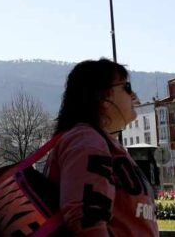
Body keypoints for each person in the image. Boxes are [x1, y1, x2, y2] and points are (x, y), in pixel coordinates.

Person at [43, 58, 159, 236]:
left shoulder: (97, 141)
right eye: (126, 88)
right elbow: (85, 218)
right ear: (103, 97)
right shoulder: (86, 141)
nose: (134, 95)